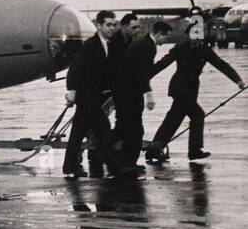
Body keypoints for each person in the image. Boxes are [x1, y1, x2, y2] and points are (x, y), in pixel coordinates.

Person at [147, 16, 245, 162]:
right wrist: (145, 75)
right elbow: (163, 63)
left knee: (173, 119)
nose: (197, 38)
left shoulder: (204, 50)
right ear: (189, 34)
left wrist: (238, 80)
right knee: (197, 115)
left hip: (191, 90)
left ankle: (154, 149)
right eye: (194, 34)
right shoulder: (180, 48)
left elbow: (221, 64)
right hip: (179, 89)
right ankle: (194, 150)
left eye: (199, 34)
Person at [63, 10, 125, 178]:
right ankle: (113, 167)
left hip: (95, 96)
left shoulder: (108, 44)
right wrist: (72, 91)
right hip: (86, 96)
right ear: (98, 26)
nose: (112, 28)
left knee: (78, 131)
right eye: (108, 25)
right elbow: (75, 68)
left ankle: (69, 167)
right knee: (103, 128)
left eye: (114, 25)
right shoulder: (91, 45)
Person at [111, 20, 171, 169]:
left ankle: (126, 161)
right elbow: (142, 74)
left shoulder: (144, 43)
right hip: (129, 93)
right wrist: (149, 96)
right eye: (165, 37)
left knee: (128, 128)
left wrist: (165, 62)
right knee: (134, 129)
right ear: (158, 34)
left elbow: (145, 72)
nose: (166, 40)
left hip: (125, 91)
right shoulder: (148, 47)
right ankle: (121, 158)